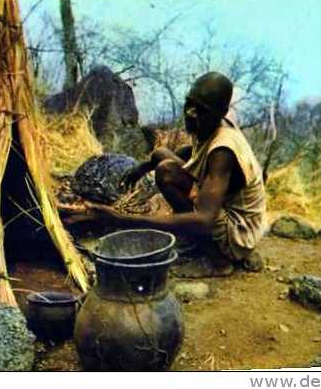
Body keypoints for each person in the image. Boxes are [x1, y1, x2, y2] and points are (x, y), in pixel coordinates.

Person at [63, 72, 267, 277]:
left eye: (201, 110)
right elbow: (191, 153)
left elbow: (204, 219)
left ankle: (217, 260)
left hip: (239, 232)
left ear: (221, 112)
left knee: (166, 172)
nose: (190, 113)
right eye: (189, 104)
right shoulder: (208, 124)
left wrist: (118, 219)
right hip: (222, 207)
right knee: (162, 158)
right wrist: (142, 168)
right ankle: (195, 240)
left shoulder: (223, 151)